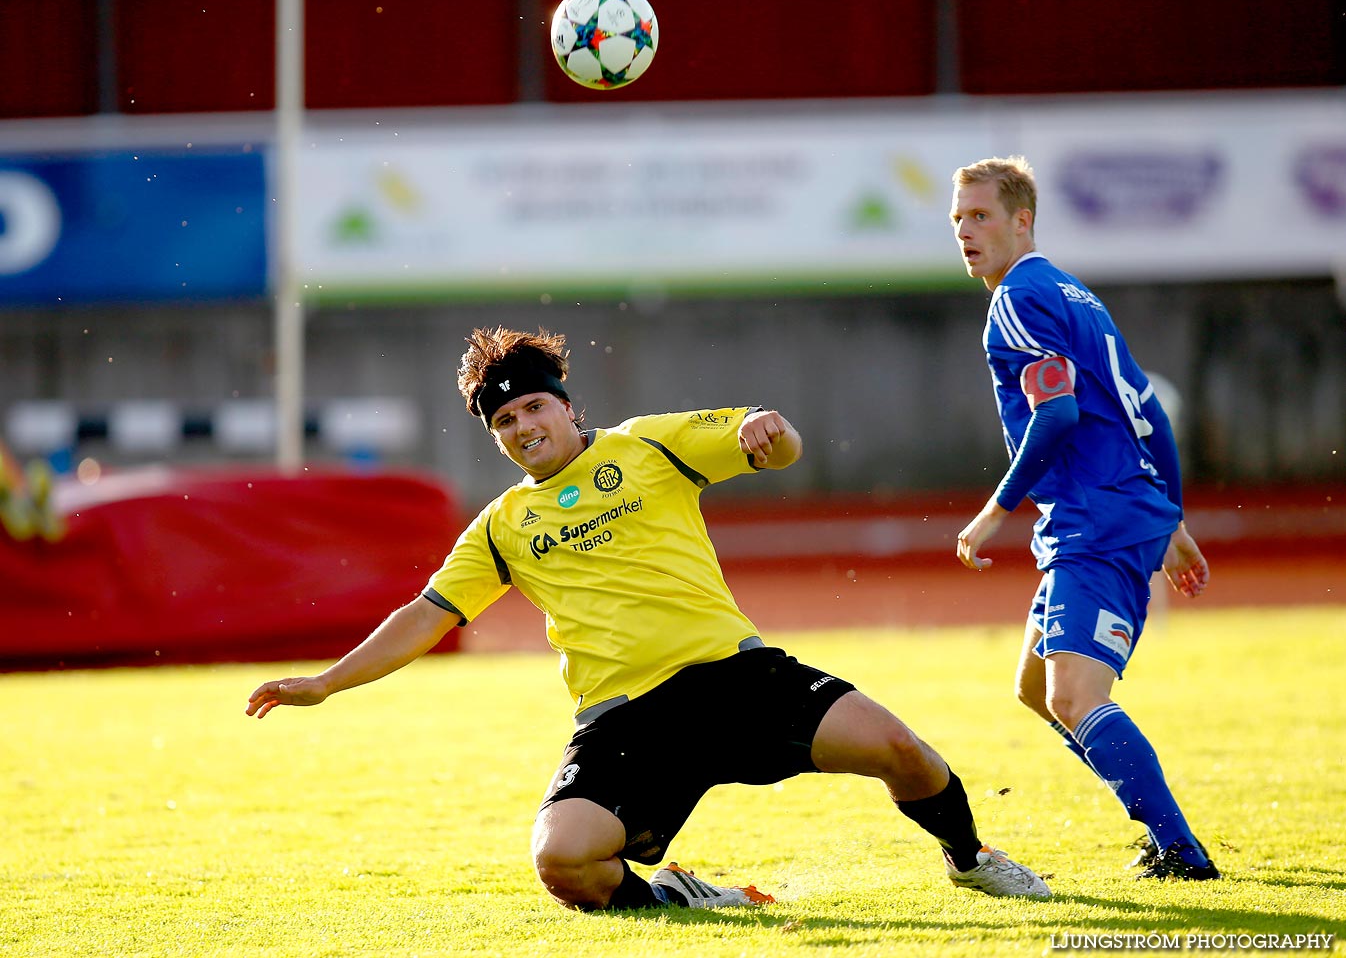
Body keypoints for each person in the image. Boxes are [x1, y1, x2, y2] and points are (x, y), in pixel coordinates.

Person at [247, 325, 1050, 910]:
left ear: (564, 405)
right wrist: (327, 683)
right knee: (565, 865)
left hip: (736, 678)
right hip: (627, 717)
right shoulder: (498, 527)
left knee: (902, 751)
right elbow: (426, 616)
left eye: (533, 408)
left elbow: (768, 441)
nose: (524, 429)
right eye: (505, 424)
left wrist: (771, 435)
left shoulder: (646, 446)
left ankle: (970, 857)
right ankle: (679, 901)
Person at [948, 156, 1219, 880]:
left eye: (981, 216)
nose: (966, 232)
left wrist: (991, 512)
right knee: (1037, 689)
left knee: (1072, 695)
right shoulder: (1073, 292)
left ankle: (1179, 850)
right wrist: (1173, 519)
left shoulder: (1016, 298)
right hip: (1117, 512)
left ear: (1022, 220)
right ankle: (1161, 834)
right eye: (958, 219)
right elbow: (1148, 410)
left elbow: (1058, 414)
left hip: (1092, 522)